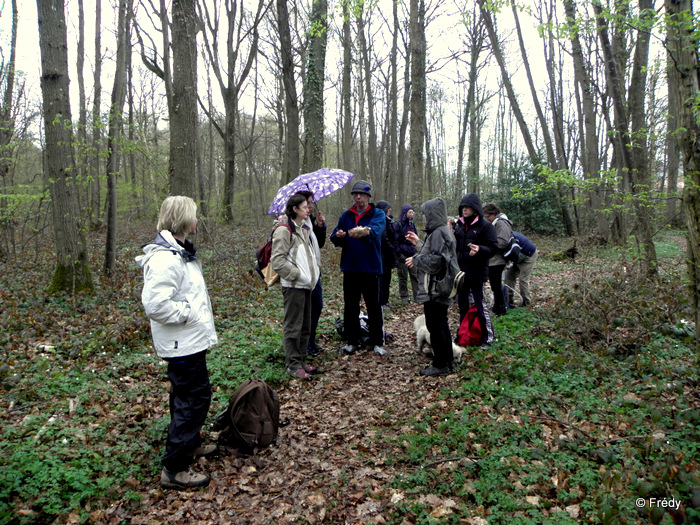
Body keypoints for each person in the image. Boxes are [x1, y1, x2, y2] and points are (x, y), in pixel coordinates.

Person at [136, 196, 218, 490]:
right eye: (195, 216)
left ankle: (190, 443)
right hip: (181, 343)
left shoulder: (178, 251)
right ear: (184, 219)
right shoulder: (164, 258)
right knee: (195, 399)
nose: (198, 221)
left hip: (188, 341)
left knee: (184, 395)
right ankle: (175, 468)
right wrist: (189, 312)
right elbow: (155, 305)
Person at [330, 180, 387, 356]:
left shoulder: (377, 214)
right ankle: (351, 340)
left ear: (368, 197)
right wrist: (339, 236)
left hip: (370, 268)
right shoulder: (346, 215)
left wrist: (361, 232)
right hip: (350, 267)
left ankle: (377, 341)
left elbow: (375, 232)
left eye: (362, 194)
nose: (358, 197)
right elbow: (334, 237)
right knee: (351, 306)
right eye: (355, 194)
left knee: (374, 306)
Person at [405, 197, 457, 377]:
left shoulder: (438, 233)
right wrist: (418, 244)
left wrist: (416, 259)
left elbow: (436, 262)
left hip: (436, 288)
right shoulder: (441, 231)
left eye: (426, 215)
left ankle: (440, 363)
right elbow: (435, 253)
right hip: (439, 287)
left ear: (433, 215)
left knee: (436, 326)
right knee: (441, 324)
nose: (425, 218)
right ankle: (447, 360)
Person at [271, 193, 320, 380]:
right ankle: (292, 365)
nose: (308, 208)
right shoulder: (285, 230)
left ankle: (301, 361)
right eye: (304, 206)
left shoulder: (303, 228)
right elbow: (277, 261)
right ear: (294, 209)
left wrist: (309, 277)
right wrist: (298, 275)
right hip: (294, 286)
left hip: (306, 286)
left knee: (305, 325)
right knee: (294, 326)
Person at [453, 194, 497, 346]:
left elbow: (493, 248)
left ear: (475, 209)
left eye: (468, 207)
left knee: (480, 304)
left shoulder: (486, 226)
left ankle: (487, 337)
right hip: (461, 273)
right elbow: (455, 247)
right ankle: (464, 333)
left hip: (477, 272)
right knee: (462, 303)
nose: (464, 209)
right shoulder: (459, 226)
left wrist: (480, 250)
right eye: (463, 207)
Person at [296, 190, 327, 356]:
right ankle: (305, 344)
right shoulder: (295, 223)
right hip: (303, 273)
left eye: (311, 202)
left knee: (317, 306)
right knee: (306, 309)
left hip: (315, 271)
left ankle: (311, 340)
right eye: (308, 202)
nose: (310, 206)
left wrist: (321, 226)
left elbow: (319, 244)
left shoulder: (310, 221)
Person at [482, 203, 512, 316]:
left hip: (497, 260)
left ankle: (501, 309)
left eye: (487, 217)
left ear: (494, 214)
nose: (486, 219)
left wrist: (489, 245)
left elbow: (503, 241)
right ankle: (497, 307)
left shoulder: (502, 223)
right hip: (492, 259)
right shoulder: (495, 223)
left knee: (496, 286)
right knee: (495, 285)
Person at [393, 204, 420, 302]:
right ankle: (404, 297)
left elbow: (416, 237)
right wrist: (399, 254)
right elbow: (395, 240)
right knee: (403, 277)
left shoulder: (412, 224)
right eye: (410, 212)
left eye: (412, 212)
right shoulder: (398, 224)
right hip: (402, 254)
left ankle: (417, 296)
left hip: (412, 253)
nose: (411, 214)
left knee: (415, 275)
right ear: (405, 213)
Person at [504, 231, 538, 307]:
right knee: (509, 276)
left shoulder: (511, 238)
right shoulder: (502, 236)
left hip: (528, 256)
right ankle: (508, 300)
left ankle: (526, 303)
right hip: (516, 256)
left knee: (523, 279)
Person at [375, 200, 399, 308]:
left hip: (388, 257)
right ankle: (381, 302)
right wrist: (392, 248)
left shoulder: (388, 221)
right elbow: (384, 238)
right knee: (382, 281)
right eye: (388, 208)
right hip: (383, 257)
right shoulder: (381, 221)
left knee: (387, 280)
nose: (390, 210)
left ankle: (385, 301)